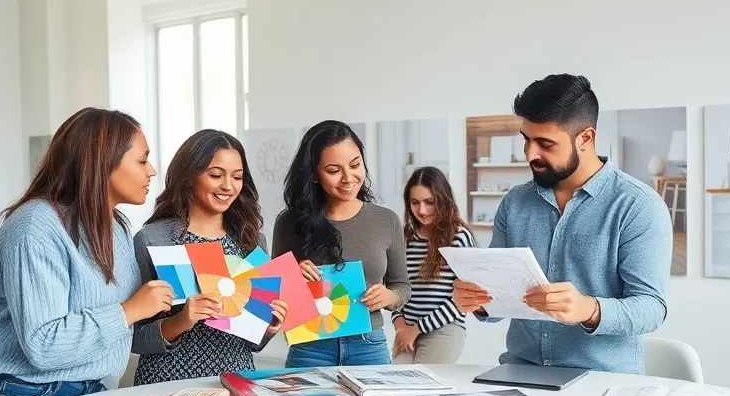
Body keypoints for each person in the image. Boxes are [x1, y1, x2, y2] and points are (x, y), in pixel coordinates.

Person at [0, 107, 175, 396]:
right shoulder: (35, 226)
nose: (152, 171)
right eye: (142, 161)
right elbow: (44, 346)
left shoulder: (116, 227)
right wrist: (129, 310)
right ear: (103, 163)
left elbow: (120, 330)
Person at [452, 74, 672, 374]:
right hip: (520, 374)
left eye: (545, 143)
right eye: (527, 140)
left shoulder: (637, 205)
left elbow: (651, 307)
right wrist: (477, 300)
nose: (530, 154)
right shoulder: (514, 202)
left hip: (602, 381)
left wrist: (588, 309)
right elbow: (498, 297)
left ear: (586, 138)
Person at [132, 129, 288, 383]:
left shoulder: (251, 241)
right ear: (189, 176)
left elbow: (252, 342)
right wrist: (181, 320)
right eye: (216, 175)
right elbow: (132, 337)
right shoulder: (153, 239)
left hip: (234, 382)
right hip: (167, 384)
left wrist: (270, 328)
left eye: (237, 177)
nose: (228, 186)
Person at [272, 120, 411, 367]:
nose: (348, 178)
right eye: (334, 170)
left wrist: (389, 296)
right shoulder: (289, 222)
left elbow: (402, 286)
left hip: (368, 345)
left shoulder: (386, 220)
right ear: (314, 174)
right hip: (310, 346)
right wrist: (293, 277)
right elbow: (273, 293)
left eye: (355, 165)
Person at [392, 166, 475, 364]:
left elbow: (464, 299)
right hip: (406, 330)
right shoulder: (404, 237)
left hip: (443, 329)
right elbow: (396, 287)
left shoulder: (459, 237)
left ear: (443, 200)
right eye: (415, 202)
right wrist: (400, 326)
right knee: (393, 382)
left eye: (430, 202)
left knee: (424, 382)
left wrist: (417, 329)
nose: (422, 210)